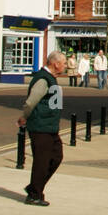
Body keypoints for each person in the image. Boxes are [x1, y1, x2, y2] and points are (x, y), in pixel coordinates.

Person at [18, 51, 66, 206]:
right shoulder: (42, 80)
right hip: (40, 126)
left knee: (56, 157)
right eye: (63, 63)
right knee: (41, 161)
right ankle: (34, 195)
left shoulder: (51, 79)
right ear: (55, 63)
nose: (65, 66)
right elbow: (31, 102)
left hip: (50, 127)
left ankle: (34, 188)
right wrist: (24, 116)